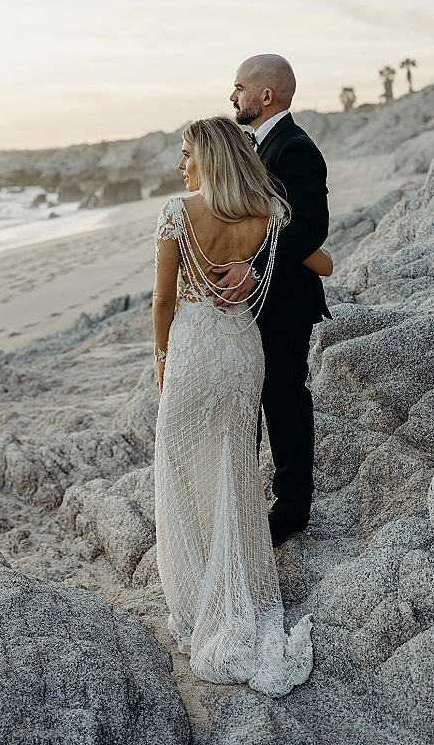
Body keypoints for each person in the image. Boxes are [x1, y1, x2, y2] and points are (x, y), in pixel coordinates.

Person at [153, 116, 331, 694]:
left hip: (194, 346)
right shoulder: (269, 217)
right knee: (234, 462)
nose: (181, 163)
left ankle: (196, 586)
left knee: (180, 461)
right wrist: (261, 264)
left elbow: (162, 298)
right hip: (241, 347)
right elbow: (323, 261)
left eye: (186, 152)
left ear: (207, 156)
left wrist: (160, 357)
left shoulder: (178, 214)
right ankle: (243, 583)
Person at [213, 54, 331, 548]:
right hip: (255, 301)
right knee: (255, 400)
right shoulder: (258, 147)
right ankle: (249, 500)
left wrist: (254, 267)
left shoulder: (295, 149)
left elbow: (310, 228)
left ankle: (292, 510)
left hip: (284, 303)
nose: (232, 96)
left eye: (239, 87)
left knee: (284, 400)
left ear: (267, 95)